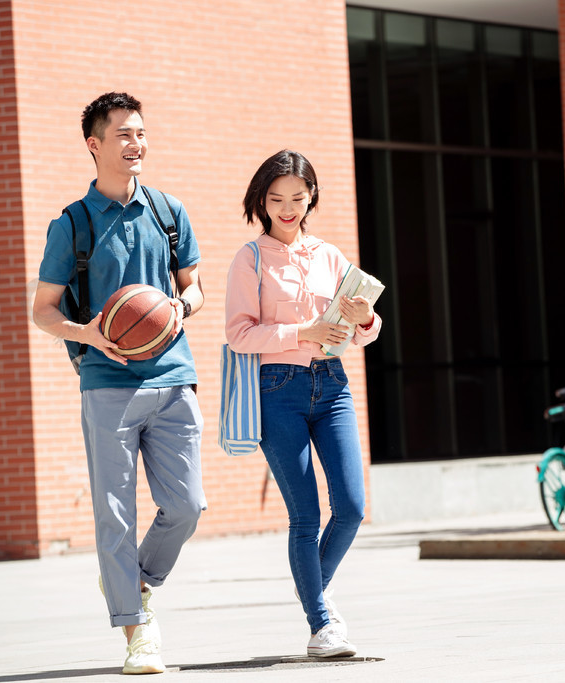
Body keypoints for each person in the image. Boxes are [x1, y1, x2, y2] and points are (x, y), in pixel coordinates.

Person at [32, 92, 206, 675]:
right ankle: (138, 635)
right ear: (95, 145)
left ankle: (133, 581)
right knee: (115, 514)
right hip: (105, 383)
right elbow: (43, 310)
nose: (137, 144)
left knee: (187, 505)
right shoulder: (72, 224)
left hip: (174, 376)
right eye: (124, 135)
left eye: (141, 133)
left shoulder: (168, 211)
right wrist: (88, 332)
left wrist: (181, 307)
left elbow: (194, 286)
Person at [225, 150, 381, 658]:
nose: (287, 207)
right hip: (278, 392)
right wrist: (303, 330)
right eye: (276, 198)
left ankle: (313, 586)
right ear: (261, 200)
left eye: (297, 196)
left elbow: (364, 334)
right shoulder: (249, 258)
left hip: (332, 385)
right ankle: (321, 626)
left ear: (311, 195)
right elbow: (239, 334)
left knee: (353, 507)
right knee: (305, 516)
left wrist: (362, 318)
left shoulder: (331, 256)